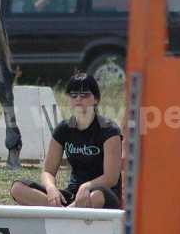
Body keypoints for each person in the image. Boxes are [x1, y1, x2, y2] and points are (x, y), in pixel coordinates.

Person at [10, 73, 122, 208]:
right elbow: (48, 171)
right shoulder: (64, 129)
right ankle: (64, 212)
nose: (78, 99)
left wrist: (87, 186)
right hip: (73, 195)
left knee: (96, 196)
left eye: (84, 95)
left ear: (96, 99)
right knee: (18, 188)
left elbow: (111, 178)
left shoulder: (109, 130)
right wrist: (51, 188)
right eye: (74, 95)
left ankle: (64, 214)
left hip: (102, 194)